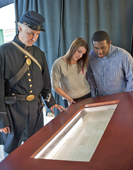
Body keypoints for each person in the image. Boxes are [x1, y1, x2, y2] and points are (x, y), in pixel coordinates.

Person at [0, 10, 65, 155]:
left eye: (37, 34)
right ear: (20, 27)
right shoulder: (3, 52)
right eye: (31, 33)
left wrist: (51, 103)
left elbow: (46, 86)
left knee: (36, 147)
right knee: (12, 152)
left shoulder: (39, 54)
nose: (34, 38)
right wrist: (2, 119)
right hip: (13, 111)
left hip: (35, 110)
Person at [87, 30, 133, 97]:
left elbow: (131, 78)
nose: (99, 52)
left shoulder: (124, 56)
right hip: (100, 99)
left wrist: (127, 97)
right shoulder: (90, 57)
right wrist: (93, 98)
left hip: (120, 98)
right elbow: (91, 79)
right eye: (96, 48)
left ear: (109, 43)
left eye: (103, 48)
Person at [51, 37, 91, 108]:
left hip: (87, 96)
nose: (80, 56)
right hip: (71, 100)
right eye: (79, 51)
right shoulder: (58, 63)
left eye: (83, 54)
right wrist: (69, 99)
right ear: (73, 47)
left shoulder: (82, 61)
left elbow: (84, 78)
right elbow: (55, 86)